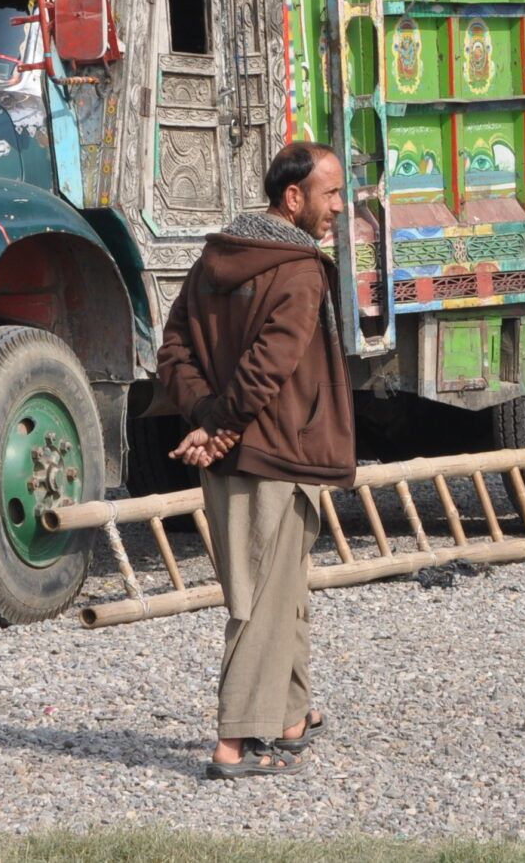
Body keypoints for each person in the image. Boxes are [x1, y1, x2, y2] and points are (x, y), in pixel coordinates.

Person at [153, 141, 357, 779]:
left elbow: (173, 349)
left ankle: (290, 717)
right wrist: (218, 425)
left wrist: (206, 418)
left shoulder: (214, 259)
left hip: (238, 451)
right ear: (293, 198)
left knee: (284, 583)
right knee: (262, 599)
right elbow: (272, 363)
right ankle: (234, 742)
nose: (339, 207)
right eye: (330, 194)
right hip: (273, 452)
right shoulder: (299, 269)